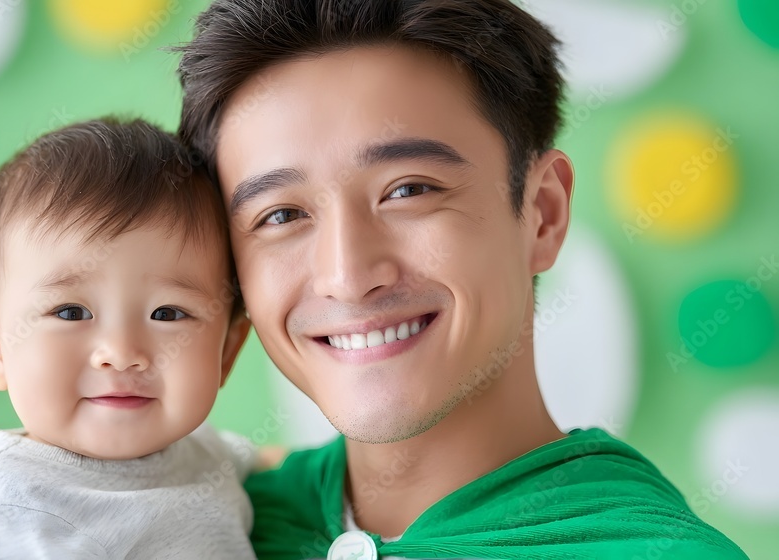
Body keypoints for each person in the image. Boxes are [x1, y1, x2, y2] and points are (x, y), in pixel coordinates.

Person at [176, 1, 748, 558]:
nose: (347, 277)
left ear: (543, 213)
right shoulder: (201, 523)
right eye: (280, 216)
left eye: (409, 190)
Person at [0, 117, 255, 559]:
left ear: (228, 351)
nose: (121, 354)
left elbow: (272, 465)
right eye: (70, 312)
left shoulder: (200, 454)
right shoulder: (10, 521)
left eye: (168, 313)